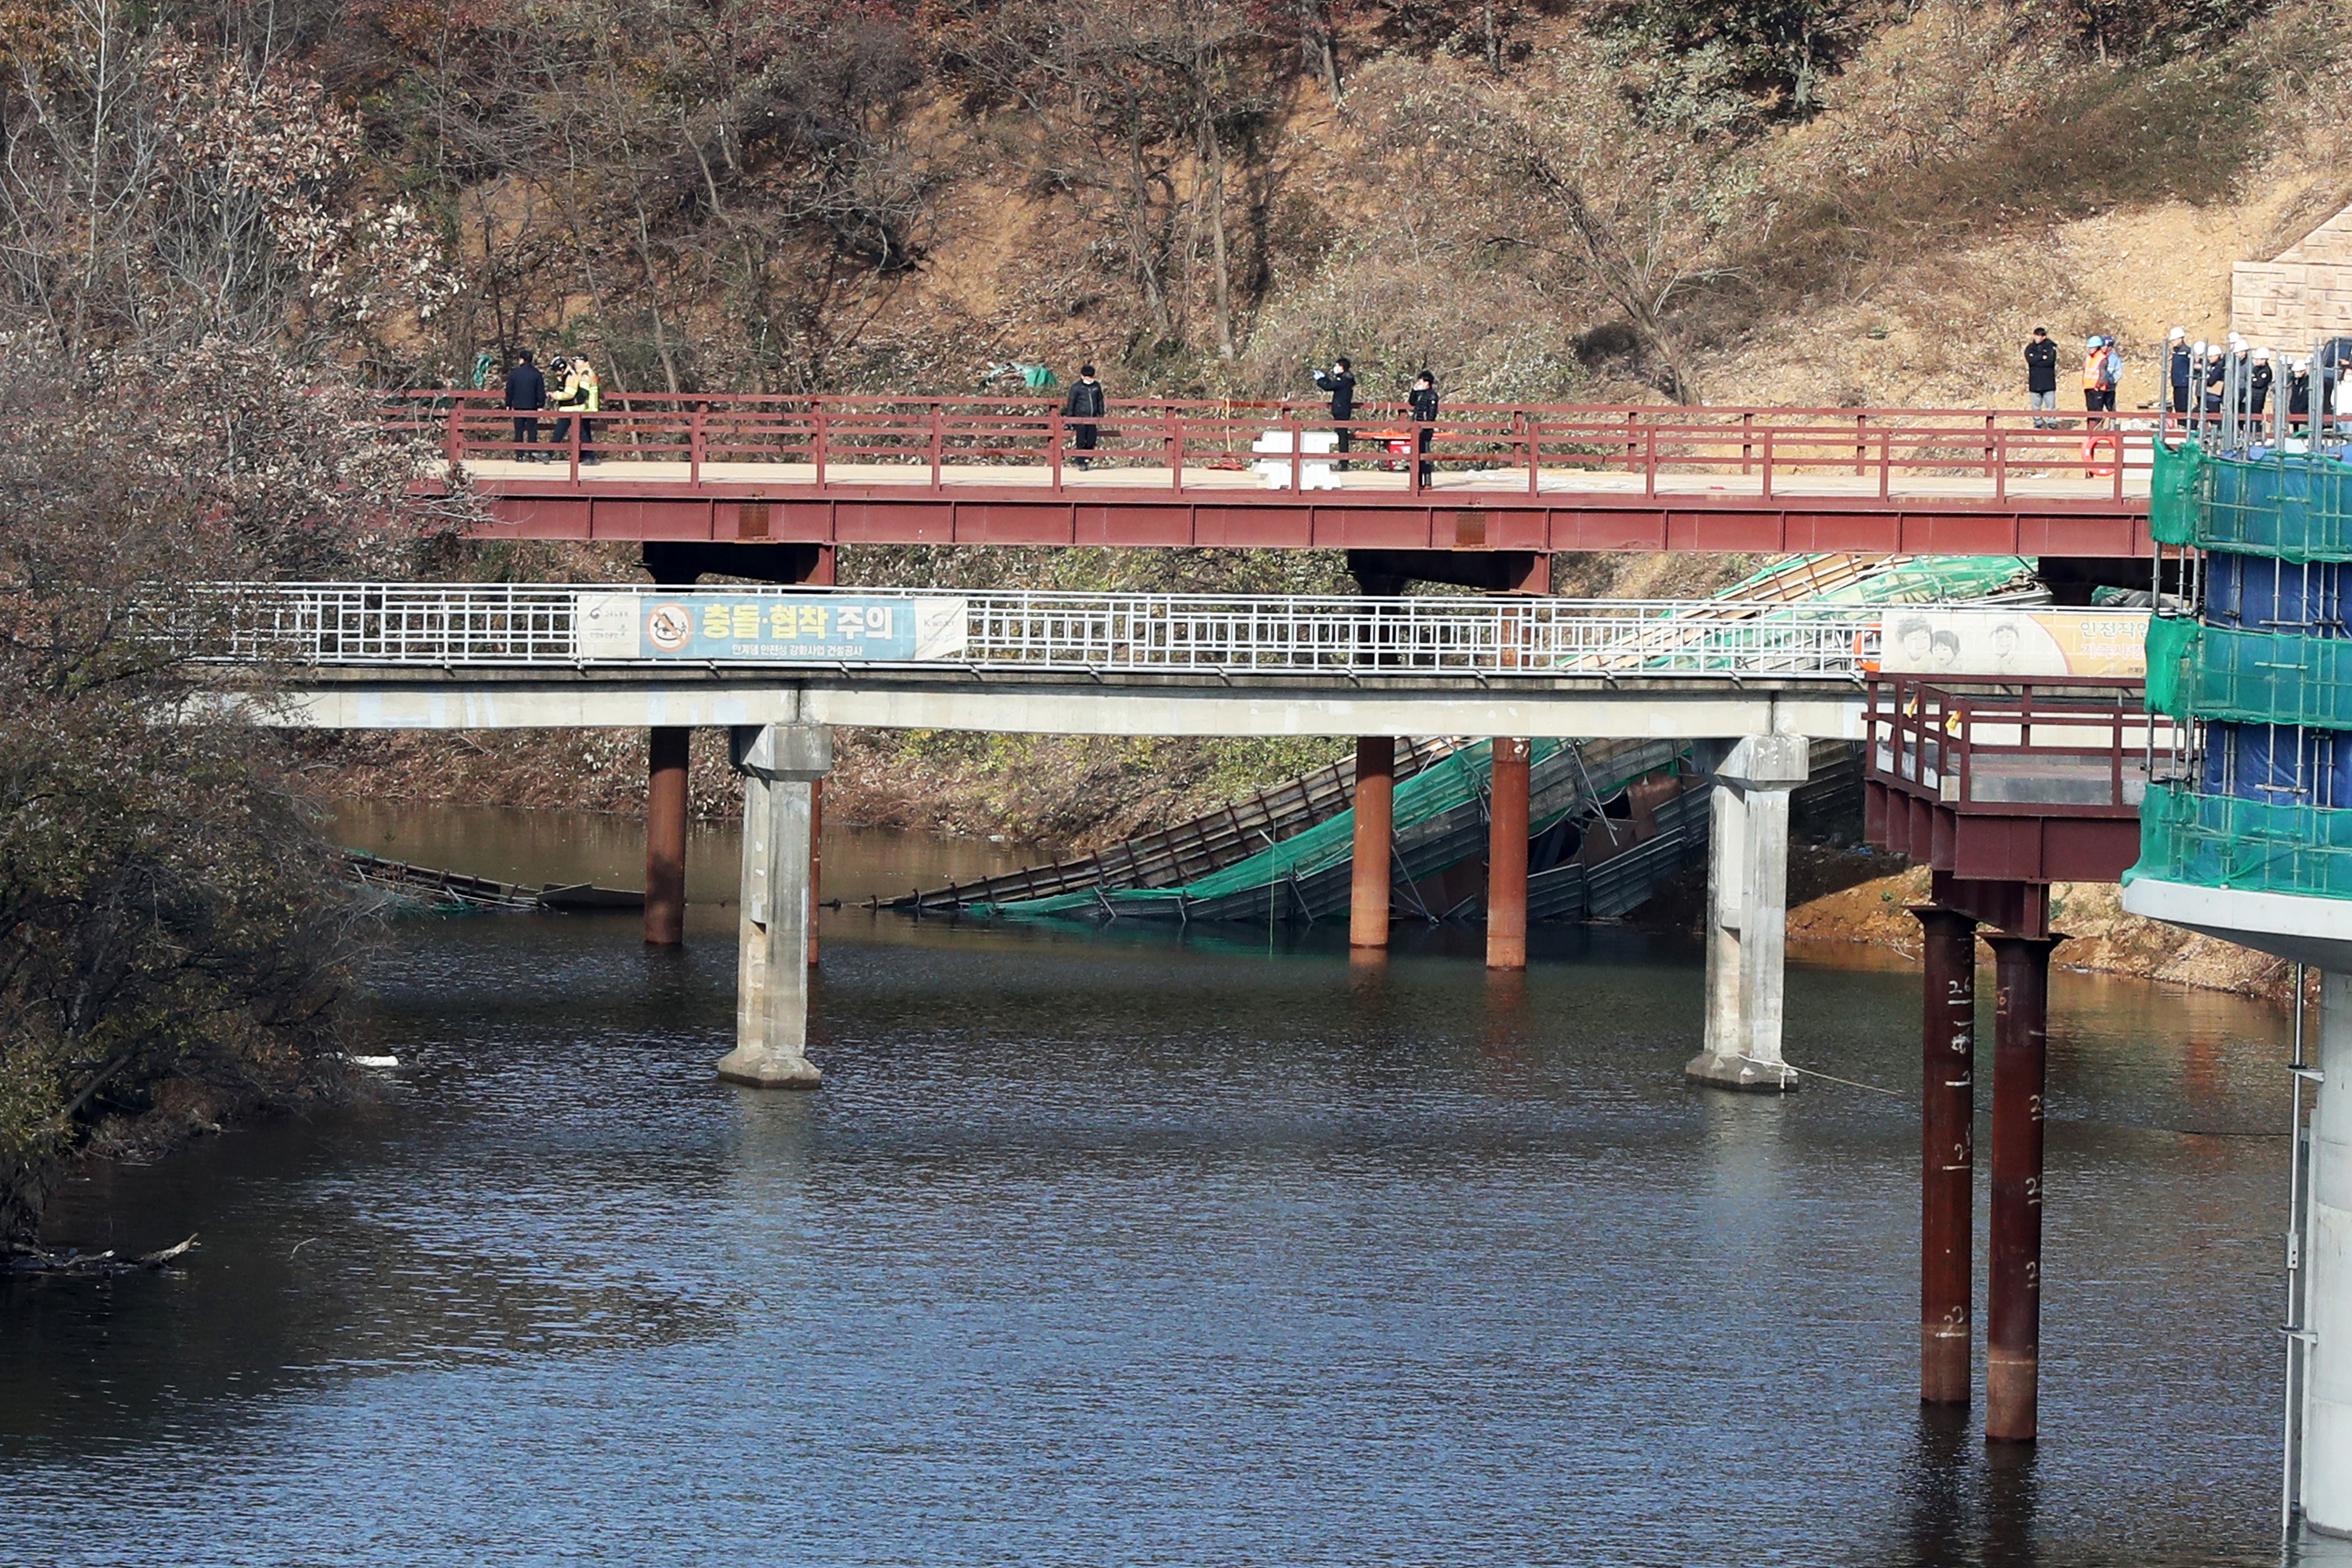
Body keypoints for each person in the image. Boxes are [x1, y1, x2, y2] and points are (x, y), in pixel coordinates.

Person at [550, 353, 600, 462]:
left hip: (587, 407)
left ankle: (589, 456)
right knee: (583, 432)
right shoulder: (585, 372)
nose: (574, 363)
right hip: (589, 407)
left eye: (576, 361)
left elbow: (583, 394)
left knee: (583, 432)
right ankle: (586, 455)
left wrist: (572, 402)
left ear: (583, 361)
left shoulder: (585, 374)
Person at [1312, 357, 1357, 463]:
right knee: (1341, 434)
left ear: (1342, 368)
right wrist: (1325, 378)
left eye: (1337, 366)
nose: (1335, 368)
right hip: (1342, 409)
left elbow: (1329, 386)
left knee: (1342, 435)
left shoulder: (1345, 380)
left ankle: (1344, 462)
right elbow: (1333, 385)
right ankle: (1343, 461)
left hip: (1342, 410)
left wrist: (1320, 380)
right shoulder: (1345, 379)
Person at [504, 349, 546, 460]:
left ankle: (520, 455)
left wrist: (508, 403)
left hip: (518, 406)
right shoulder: (536, 374)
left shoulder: (515, 373)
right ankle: (532, 454)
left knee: (519, 431)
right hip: (532, 406)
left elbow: (510, 390)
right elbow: (540, 391)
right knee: (532, 431)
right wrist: (541, 405)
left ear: (522, 360)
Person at [1062, 364, 1105, 470]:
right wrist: (1069, 419)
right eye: (1087, 376)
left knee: (1091, 440)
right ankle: (1081, 461)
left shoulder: (1096, 386)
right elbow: (1071, 403)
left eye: (1091, 377)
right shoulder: (1076, 388)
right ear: (1082, 376)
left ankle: (1085, 458)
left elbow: (1100, 400)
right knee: (1081, 440)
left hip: (1092, 418)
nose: (1089, 379)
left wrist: (1101, 412)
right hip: (1080, 418)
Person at [2024, 327, 2059, 426]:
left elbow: (2050, 361)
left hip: (2048, 382)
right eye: (2036, 335)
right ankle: (2038, 422)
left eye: (2040, 335)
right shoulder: (2030, 348)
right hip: (2035, 382)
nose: (2037, 337)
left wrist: (2037, 360)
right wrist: (2041, 357)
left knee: (2050, 405)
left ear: (2044, 337)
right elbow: (2031, 360)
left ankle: (2052, 422)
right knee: (2036, 406)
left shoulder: (2050, 347)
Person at [1408, 369, 1438, 482]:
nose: (1419, 382)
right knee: (1416, 454)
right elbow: (1412, 402)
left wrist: (1427, 425)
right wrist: (1414, 391)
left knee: (1425, 454)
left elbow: (1432, 413)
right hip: (1417, 427)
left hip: (1425, 428)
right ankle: (1418, 481)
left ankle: (1428, 481)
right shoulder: (1420, 393)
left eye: (1422, 380)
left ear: (1427, 382)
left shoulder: (1432, 395)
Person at [2082, 333, 2119, 415]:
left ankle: (2098, 427)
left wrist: (2098, 387)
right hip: (2088, 387)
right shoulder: (2089, 357)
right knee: (2090, 411)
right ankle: (2092, 427)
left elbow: (2103, 374)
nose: (2090, 349)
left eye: (2092, 347)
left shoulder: (2102, 358)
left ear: (2098, 347)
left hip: (2097, 389)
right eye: (2090, 347)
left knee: (2097, 411)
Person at [2166, 327, 2191, 424]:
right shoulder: (2176, 351)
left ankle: (2185, 425)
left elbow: (2192, 365)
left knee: (2183, 406)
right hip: (2177, 383)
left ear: (2180, 339)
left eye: (2174, 340)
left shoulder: (2187, 351)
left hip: (2184, 383)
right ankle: (2181, 424)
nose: (2172, 343)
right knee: (2178, 406)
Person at [2251, 347, 2275, 419]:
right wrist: (2253, 379)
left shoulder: (2266, 371)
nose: (2256, 361)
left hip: (2258, 398)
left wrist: (2253, 380)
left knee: (2256, 417)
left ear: (2264, 360)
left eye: (2258, 359)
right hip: (2253, 396)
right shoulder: (2256, 368)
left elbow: (2259, 383)